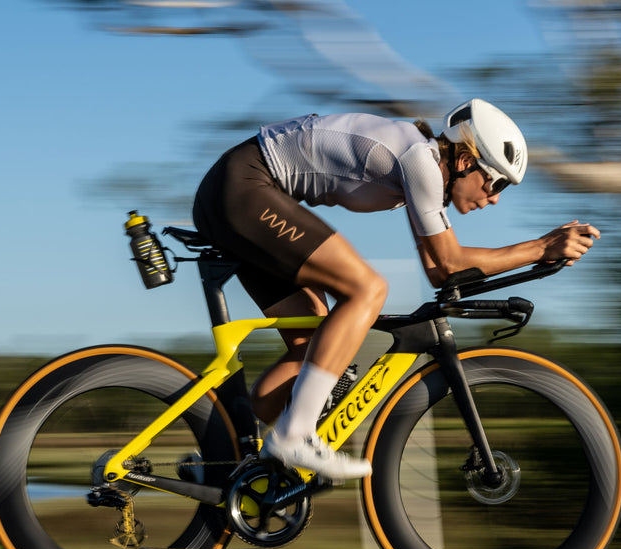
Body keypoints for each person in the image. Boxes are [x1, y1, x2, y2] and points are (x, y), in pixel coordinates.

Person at [191, 98, 599, 480]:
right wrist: (541, 247)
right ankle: (295, 436)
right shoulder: (419, 158)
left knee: (317, 347)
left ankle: (230, 459)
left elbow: (441, 270)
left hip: (235, 192)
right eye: (495, 184)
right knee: (367, 290)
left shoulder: (419, 165)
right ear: (464, 160)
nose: (493, 200)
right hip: (246, 187)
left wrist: (537, 253)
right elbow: (450, 263)